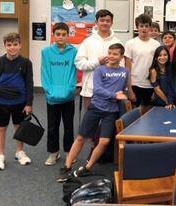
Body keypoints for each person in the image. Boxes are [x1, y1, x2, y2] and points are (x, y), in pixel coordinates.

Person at [57, 43, 128, 181]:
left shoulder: (125, 72)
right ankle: (66, 167)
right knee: (81, 138)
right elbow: (98, 90)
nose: (111, 56)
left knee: (104, 141)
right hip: (96, 107)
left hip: (111, 111)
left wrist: (124, 93)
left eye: (115, 54)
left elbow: (123, 89)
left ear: (121, 56)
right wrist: (115, 95)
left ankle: (87, 168)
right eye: (110, 53)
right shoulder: (100, 70)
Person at [41, 23, 77, 165]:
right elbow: (44, 73)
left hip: (68, 96)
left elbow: (73, 74)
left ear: (67, 35)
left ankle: (69, 152)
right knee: (52, 125)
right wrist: (49, 90)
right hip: (52, 97)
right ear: (54, 35)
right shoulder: (46, 52)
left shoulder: (73, 52)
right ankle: (53, 153)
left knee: (69, 126)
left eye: (64, 34)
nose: (61, 37)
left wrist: (69, 90)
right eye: (58, 34)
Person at [0, 32, 34, 170]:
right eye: (9, 45)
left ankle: (19, 152)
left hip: (20, 102)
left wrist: (29, 103)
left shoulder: (26, 63)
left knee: (19, 128)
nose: (12, 48)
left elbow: (29, 84)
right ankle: (0, 155)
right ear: (4, 46)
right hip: (1, 103)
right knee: (1, 129)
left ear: (20, 45)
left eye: (15, 44)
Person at [75, 9, 122, 109]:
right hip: (91, 90)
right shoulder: (88, 42)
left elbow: (121, 68)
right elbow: (79, 64)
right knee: (91, 122)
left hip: (111, 91)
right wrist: (97, 62)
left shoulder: (117, 42)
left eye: (108, 20)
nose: (105, 23)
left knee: (109, 122)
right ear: (96, 22)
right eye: (102, 20)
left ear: (112, 23)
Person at [125, 14, 160, 114]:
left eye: (146, 26)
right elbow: (127, 68)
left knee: (145, 116)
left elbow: (157, 66)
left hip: (149, 84)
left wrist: (156, 86)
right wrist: (129, 89)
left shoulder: (156, 44)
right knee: (132, 116)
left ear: (150, 27)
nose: (144, 29)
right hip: (135, 83)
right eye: (141, 26)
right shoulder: (130, 43)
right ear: (137, 27)